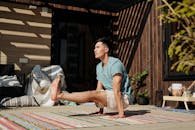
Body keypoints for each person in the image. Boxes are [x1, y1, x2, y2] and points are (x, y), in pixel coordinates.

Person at [51, 37, 131, 118]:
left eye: (98, 47)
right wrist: (101, 110)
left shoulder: (115, 63)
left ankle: (59, 96)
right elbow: (99, 90)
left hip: (123, 98)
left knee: (92, 94)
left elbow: (117, 90)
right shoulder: (99, 67)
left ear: (106, 49)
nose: (94, 50)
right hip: (110, 97)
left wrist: (121, 113)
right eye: (94, 48)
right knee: (94, 93)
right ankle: (59, 96)